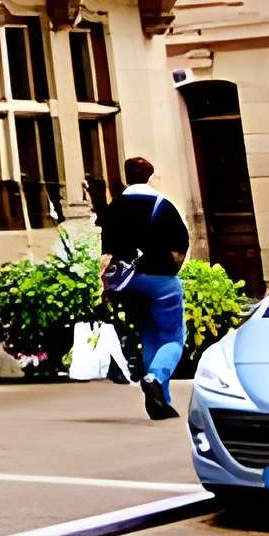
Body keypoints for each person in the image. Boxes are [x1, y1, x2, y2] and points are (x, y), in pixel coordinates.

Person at [96, 157, 191, 420]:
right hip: (160, 278)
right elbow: (180, 244)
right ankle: (154, 378)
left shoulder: (114, 208)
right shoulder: (163, 206)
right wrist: (170, 269)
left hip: (128, 283)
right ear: (150, 176)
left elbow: (106, 252)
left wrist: (106, 287)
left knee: (149, 335)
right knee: (173, 338)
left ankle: (161, 402)